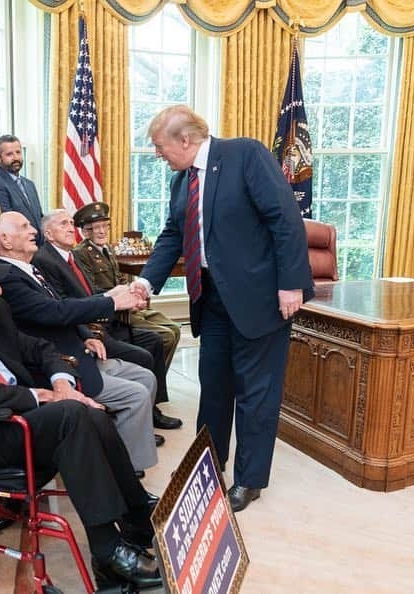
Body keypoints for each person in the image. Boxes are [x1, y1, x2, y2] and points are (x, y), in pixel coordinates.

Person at [0, 245, 161, 590]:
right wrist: (38, 396)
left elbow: (38, 348)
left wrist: (61, 383)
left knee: (90, 414)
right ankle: (107, 548)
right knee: (70, 416)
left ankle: (136, 518)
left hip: (9, 417)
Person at [133, 105, 314, 512]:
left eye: (160, 147)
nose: (157, 155)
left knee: (256, 394)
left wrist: (290, 284)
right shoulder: (183, 181)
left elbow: (284, 220)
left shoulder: (244, 155)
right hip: (211, 299)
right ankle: (208, 467)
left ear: (185, 139)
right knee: (213, 389)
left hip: (261, 298)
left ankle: (249, 481)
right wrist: (146, 282)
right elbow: (172, 235)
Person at [0, 212, 158, 473]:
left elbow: (62, 306)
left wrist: (87, 336)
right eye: (25, 227)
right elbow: (53, 312)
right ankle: (126, 471)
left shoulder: (30, 268)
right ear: (6, 240)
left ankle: (113, 449)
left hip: (78, 349)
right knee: (136, 395)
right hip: (61, 364)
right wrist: (112, 302)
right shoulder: (8, 277)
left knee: (146, 377)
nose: (33, 230)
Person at [33, 209, 179, 438]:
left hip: (99, 323)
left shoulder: (70, 256)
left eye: (72, 223)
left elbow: (90, 292)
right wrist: (112, 303)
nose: (71, 228)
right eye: (64, 224)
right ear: (49, 234)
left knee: (155, 340)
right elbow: (62, 306)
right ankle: (142, 415)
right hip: (87, 330)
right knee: (143, 355)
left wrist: (122, 298)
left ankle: (151, 411)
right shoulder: (45, 260)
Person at [0, 134, 44, 244]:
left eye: (18, 152)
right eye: (9, 154)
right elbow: (7, 222)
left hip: (38, 247)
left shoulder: (29, 184)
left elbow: (39, 217)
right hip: (17, 247)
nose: (15, 158)